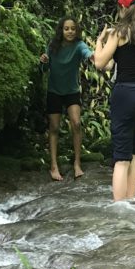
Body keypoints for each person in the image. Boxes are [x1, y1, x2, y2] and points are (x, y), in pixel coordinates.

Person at [93, 0, 135, 201]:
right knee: (133, 153)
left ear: (121, 7)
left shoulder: (118, 33)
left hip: (126, 94)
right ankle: (130, 202)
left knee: (121, 159)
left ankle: (119, 209)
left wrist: (99, 41)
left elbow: (100, 63)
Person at [39, 17, 93, 181]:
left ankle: (77, 163)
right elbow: (44, 69)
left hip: (72, 91)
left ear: (77, 31)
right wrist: (43, 61)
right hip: (54, 91)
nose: (70, 31)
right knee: (54, 127)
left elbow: (87, 53)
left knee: (76, 123)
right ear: (61, 31)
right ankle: (54, 166)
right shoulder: (53, 46)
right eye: (66, 28)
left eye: (73, 29)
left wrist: (94, 57)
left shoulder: (79, 45)